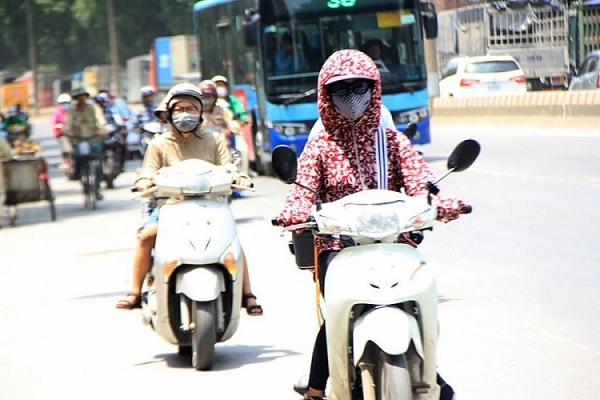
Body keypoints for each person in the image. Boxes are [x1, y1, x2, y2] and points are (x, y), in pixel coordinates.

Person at [276, 49, 464, 400]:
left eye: (358, 87)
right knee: (336, 313)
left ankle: (429, 372)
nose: (351, 98)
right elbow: (302, 190)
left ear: (373, 88)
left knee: (421, 298)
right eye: (340, 90)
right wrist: (296, 212)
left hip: (394, 241)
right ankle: (316, 391)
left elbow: (420, 179)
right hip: (338, 246)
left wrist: (440, 204)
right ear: (325, 94)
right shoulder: (320, 145)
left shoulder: (393, 140)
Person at [115, 83, 263, 316]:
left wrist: (240, 177)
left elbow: (229, 167)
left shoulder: (213, 140)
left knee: (232, 242)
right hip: (170, 206)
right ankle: (134, 291)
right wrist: (143, 182)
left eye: (191, 109)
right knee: (146, 237)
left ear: (200, 112)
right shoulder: (158, 144)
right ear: (170, 113)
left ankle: (247, 294)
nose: (185, 114)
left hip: (211, 205)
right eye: (179, 109)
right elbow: (146, 173)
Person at [64, 87, 107, 200]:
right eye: (78, 97)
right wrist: (68, 132)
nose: (81, 99)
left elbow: (100, 120)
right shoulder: (72, 110)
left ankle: (97, 187)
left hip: (93, 138)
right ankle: (80, 178)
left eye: (83, 96)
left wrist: (102, 129)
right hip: (78, 139)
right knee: (78, 158)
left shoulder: (93, 107)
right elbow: (67, 124)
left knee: (97, 162)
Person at [50, 93, 73, 173]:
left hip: (73, 134)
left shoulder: (72, 111)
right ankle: (66, 162)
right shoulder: (58, 113)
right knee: (66, 148)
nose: (65, 105)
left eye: (67, 103)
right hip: (62, 134)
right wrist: (58, 126)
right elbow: (53, 123)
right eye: (63, 103)